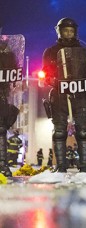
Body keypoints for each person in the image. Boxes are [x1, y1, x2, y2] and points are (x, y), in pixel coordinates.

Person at [41, 18, 86, 173]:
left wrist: (82, 83)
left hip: (80, 95)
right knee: (59, 131)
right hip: (59, 94)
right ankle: (60, 166)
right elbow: (45, 72)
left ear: (75, 32)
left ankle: (84, 167)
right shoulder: (50, 51)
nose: (68, 33)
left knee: (83, 131)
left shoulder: (85, 51)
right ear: (59, 31)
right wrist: (53, 80)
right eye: (65, 30)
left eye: (71, 30)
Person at [0, 36, 21, 176]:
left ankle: (2, 164)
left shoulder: (9, 55)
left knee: (1, 130)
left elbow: (13, 73)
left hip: (2, 93)